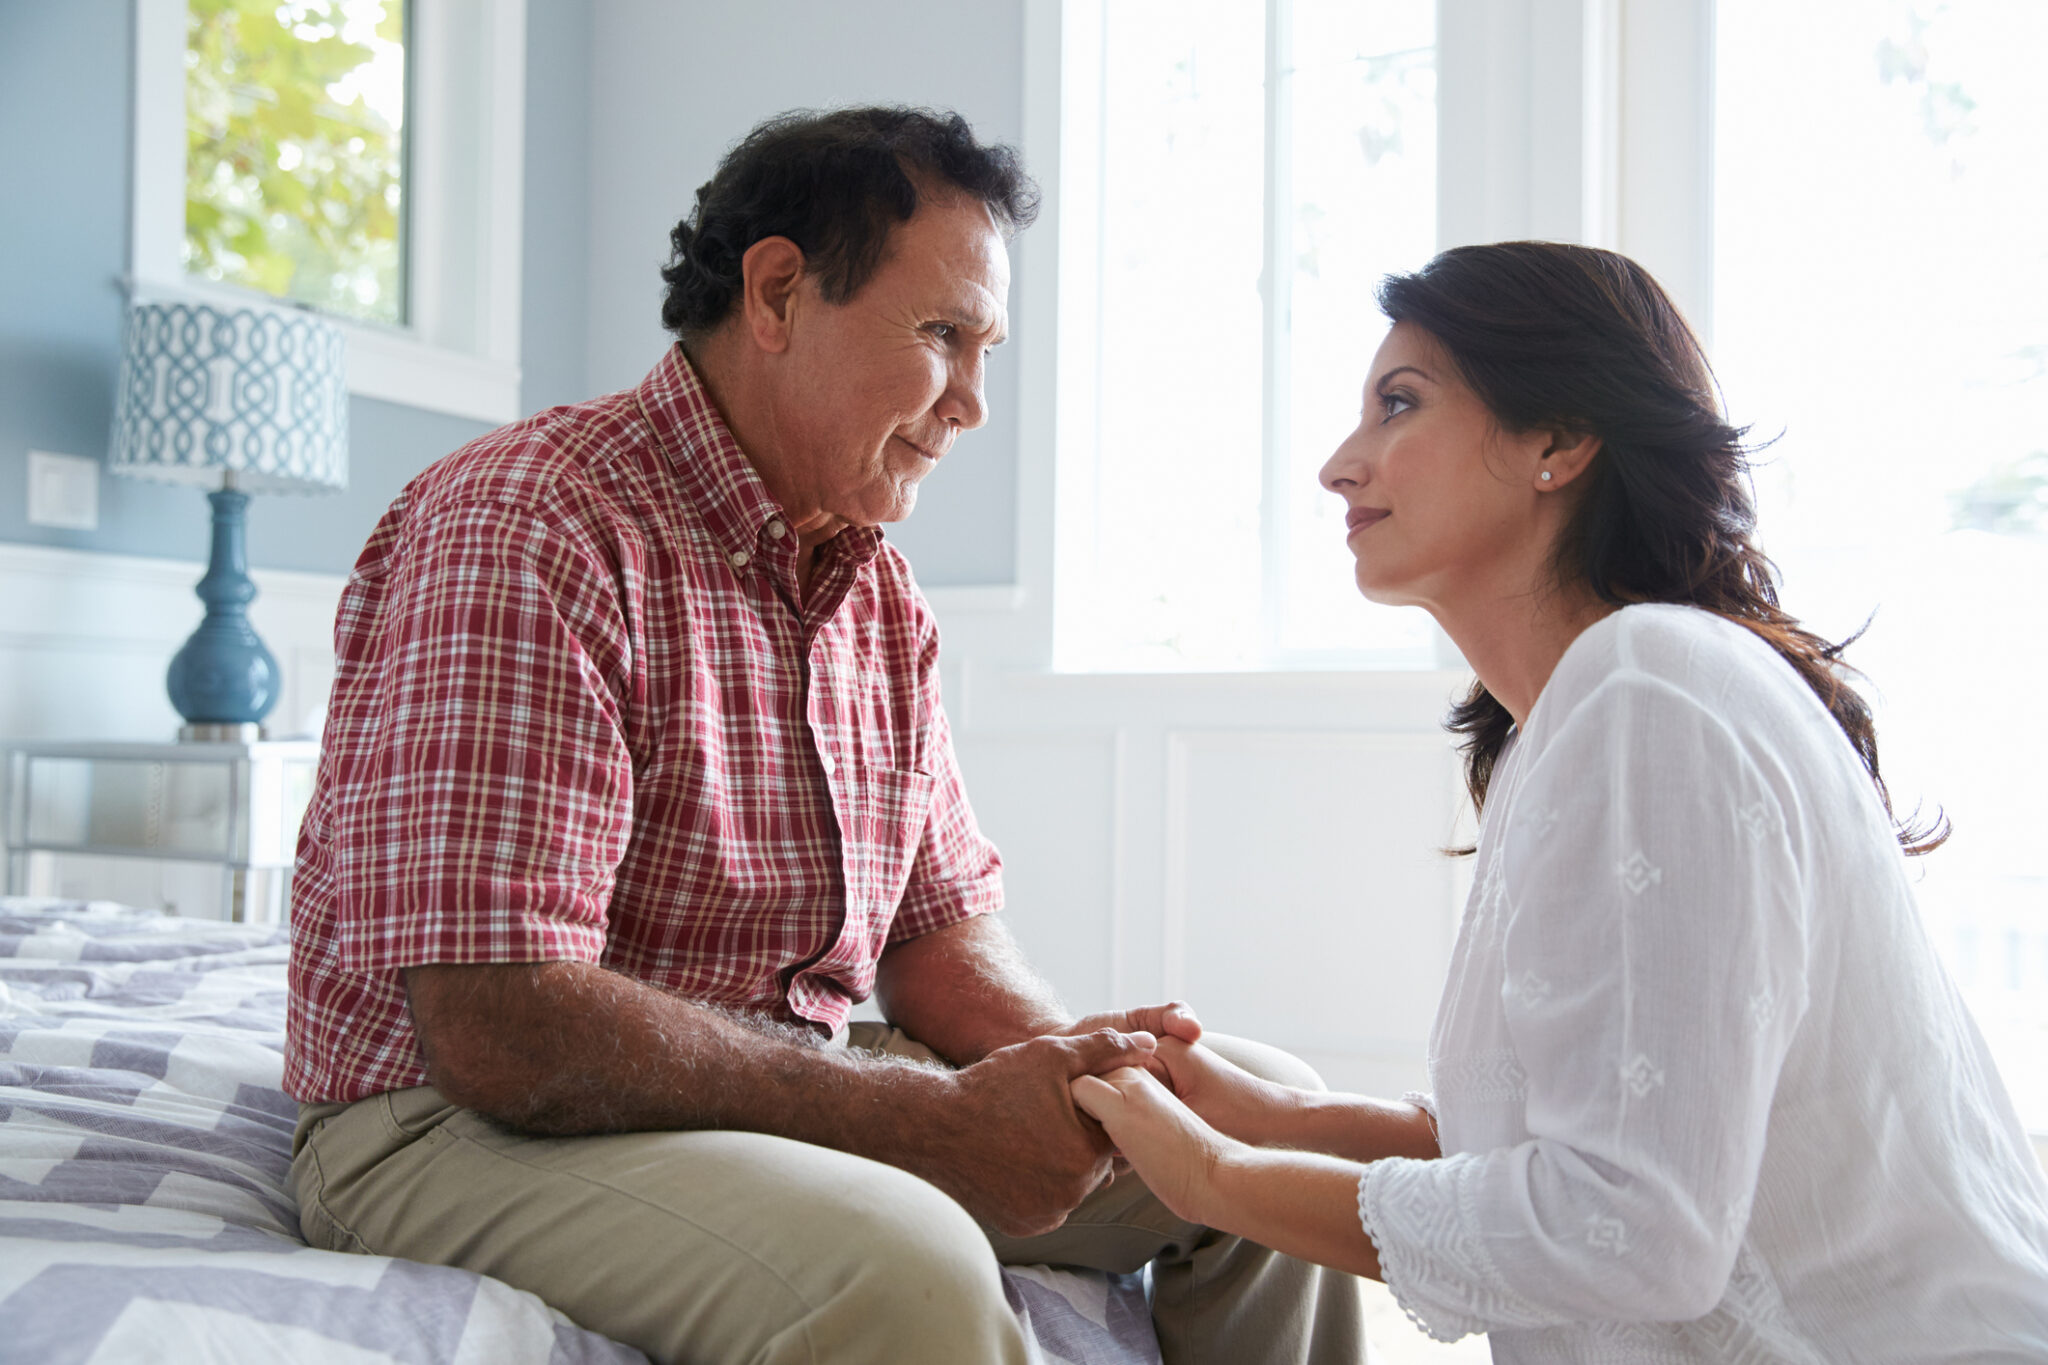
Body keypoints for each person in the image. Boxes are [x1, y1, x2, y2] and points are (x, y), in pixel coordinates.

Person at [281, 106, 1367, 1365]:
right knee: (903, 1271)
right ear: (779, 291)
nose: (969, 403)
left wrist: (1078, 1083)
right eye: (940, 336)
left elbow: (936, 939)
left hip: (767, 1078)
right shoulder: (532, 524)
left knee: (1257, 1161)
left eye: (987, 350)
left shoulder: (874, 589)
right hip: (452, 1121)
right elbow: (497, 1022)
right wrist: (919, 1117)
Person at [1073, 241, 2048, 1360]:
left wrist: (1214, 1181)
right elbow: (1590, 1137)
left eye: (1398, 404)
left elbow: (1631, 1227)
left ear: (1556, 440)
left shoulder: (1648, 690)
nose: (1340, 465)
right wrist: (1274, 1120)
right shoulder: (1602, 703)